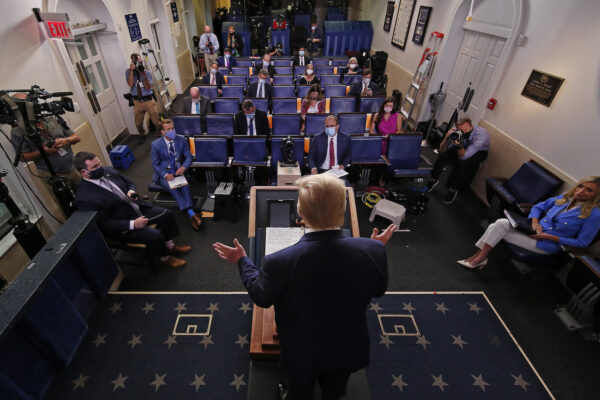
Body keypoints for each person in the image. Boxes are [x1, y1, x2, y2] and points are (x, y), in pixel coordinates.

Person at [213, 173, 395, 399]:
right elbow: (377, 289)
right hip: (346, 346)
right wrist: (371, 251)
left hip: (301, 349)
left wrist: (242, 259)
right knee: (335, 392)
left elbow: (261, 296)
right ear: (343, 208)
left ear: (300, 213)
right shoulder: (373, 251)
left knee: (300, 391)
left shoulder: (278, 261)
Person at [73, 151, 191, 268]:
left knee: (167, 214)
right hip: (124, 225)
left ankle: (170, 246)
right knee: (154, 235)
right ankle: (165, 257)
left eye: (99, 163)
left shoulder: (108, 171)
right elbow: (103, 224)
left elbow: (130, 183)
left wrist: (131, 190)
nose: (100, 167)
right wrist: (132, 224)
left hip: (135, 208)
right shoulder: (85, 197)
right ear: (84, 172)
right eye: (95, 167)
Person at [458, 177, 600, 269]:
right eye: (581, 186)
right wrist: (534, 222)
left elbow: (582, 243)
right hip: (531, 231)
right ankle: (480, 258)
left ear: (596, 195)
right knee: (500, 223)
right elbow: (538, 207)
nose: (581, 191)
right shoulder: (564, 198)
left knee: (497, 226)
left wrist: (550, 237)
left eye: (589, 190)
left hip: (546, 244)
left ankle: (479, 258)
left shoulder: (595, 214)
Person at [10, 96, 81, 204]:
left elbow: (76, 137)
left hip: (72, 167)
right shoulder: (18, 131)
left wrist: (66, 140)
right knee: (66, 205)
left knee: (86, 197)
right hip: (50, 175)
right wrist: (42, 152)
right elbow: (22, 157)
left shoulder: (52, 118)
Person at [150, 119, 202, 231]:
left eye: (172, 128)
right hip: (164, 173)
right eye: (168, 129)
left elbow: (188, 157)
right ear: (163, 132)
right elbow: (155, 165)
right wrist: (165, 175)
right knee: (173, 188)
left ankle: (190, 214)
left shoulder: (181, 139)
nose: (171, 131)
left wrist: (183, 167)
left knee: (186, 187)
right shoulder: (155, 145)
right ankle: (191, 214)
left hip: (178, 170)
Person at [426, 117, 490, 204]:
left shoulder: (481, 136)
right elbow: (441, 150)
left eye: (465, 130)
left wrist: (459, 146)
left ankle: (453, 190)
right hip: (463, 146)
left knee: (463, 162)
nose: (462, 132)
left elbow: (464, 157)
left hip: (479, 152)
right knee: (443, 155)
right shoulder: (456, 131)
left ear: (471, 126)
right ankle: (433, 179)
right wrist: (446, 138)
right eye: (460, 130)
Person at [126, 53, 161, 142]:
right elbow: (130, 84)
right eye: (136, 61)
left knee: (156, 122)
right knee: (138, 124)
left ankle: (158, 133)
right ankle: (142, 134)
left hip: (149, 101)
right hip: (137, 102)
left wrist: (143, 74)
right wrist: (131, 71)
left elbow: (148, 87)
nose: (138, 63)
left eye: (139, 61)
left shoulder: (147, 72)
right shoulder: (128, 72)